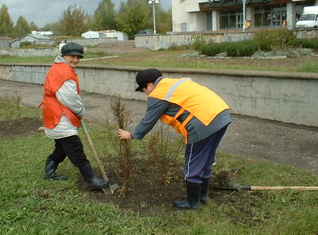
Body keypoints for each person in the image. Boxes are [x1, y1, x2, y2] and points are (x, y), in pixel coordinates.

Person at [118, 68, 232, 210]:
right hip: (221, 115)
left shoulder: (158, 94)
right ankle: (203, 195)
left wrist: (131, 135)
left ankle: (192, 202)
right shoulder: (174, 84)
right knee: (207, 157)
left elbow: (148, 121)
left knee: (193, 161)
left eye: (143, 90)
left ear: (149, 85)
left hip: (203, 122)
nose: (145, 94)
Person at [41, 42, 108, 190]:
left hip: (55, 114)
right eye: (72, 56)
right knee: (75, 148)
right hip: (60, 116)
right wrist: (80, 111)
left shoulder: (59, 68)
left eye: (79, 57)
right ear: (64, 55)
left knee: (62, 148)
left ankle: (49, 171)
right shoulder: (63, 72)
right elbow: (70, 99)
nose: (76, 60)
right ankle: (91, 179)